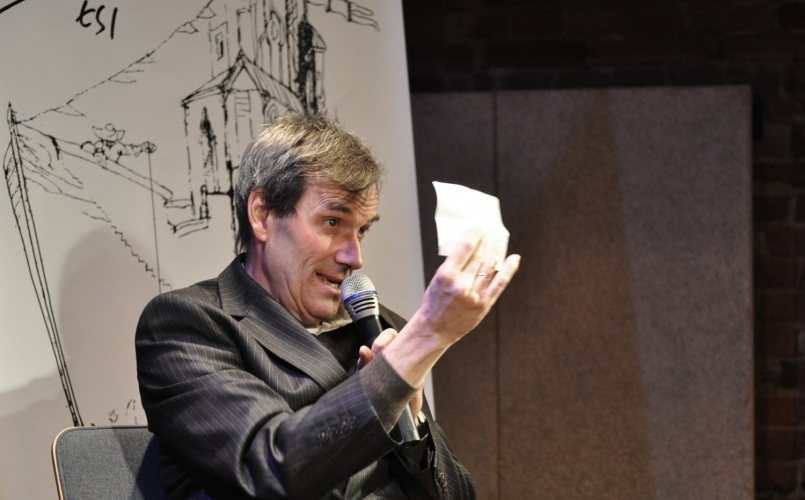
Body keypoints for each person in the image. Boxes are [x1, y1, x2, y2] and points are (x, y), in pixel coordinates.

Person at [135, 113, 520, 499]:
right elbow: (271, 470)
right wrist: (419, 346)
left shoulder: (379, 326)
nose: (355, 257)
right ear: (262, 215)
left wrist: (413, 426)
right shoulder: (186, 324)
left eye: (362, 230)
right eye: (333, 223)